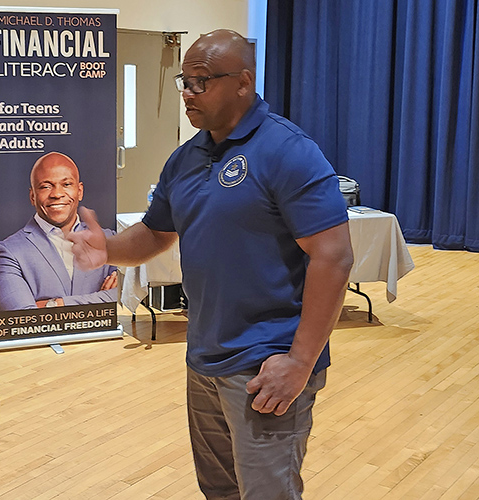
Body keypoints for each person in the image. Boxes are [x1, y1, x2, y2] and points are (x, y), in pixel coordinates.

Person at [69, 30, 354, 500]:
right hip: (204, 359)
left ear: (243, 82)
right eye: (184, 80)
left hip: (267, 364)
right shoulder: (186, 158)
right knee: (219, 490)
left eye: (200, 81)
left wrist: (301, 360)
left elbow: (334, 255)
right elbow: (158, 232)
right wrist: (109, 248)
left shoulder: (288, 150)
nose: (186, 92)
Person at [0, 151, 118, 311]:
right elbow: (22, 318)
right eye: (45, 186)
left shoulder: (108, 240)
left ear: (80, 191)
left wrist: (54, 304)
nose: (57, 194)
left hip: (104, 337)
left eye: (67, 184)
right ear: (32, 196)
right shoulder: (6, 253)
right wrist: (99, 302)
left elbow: (125, 297)